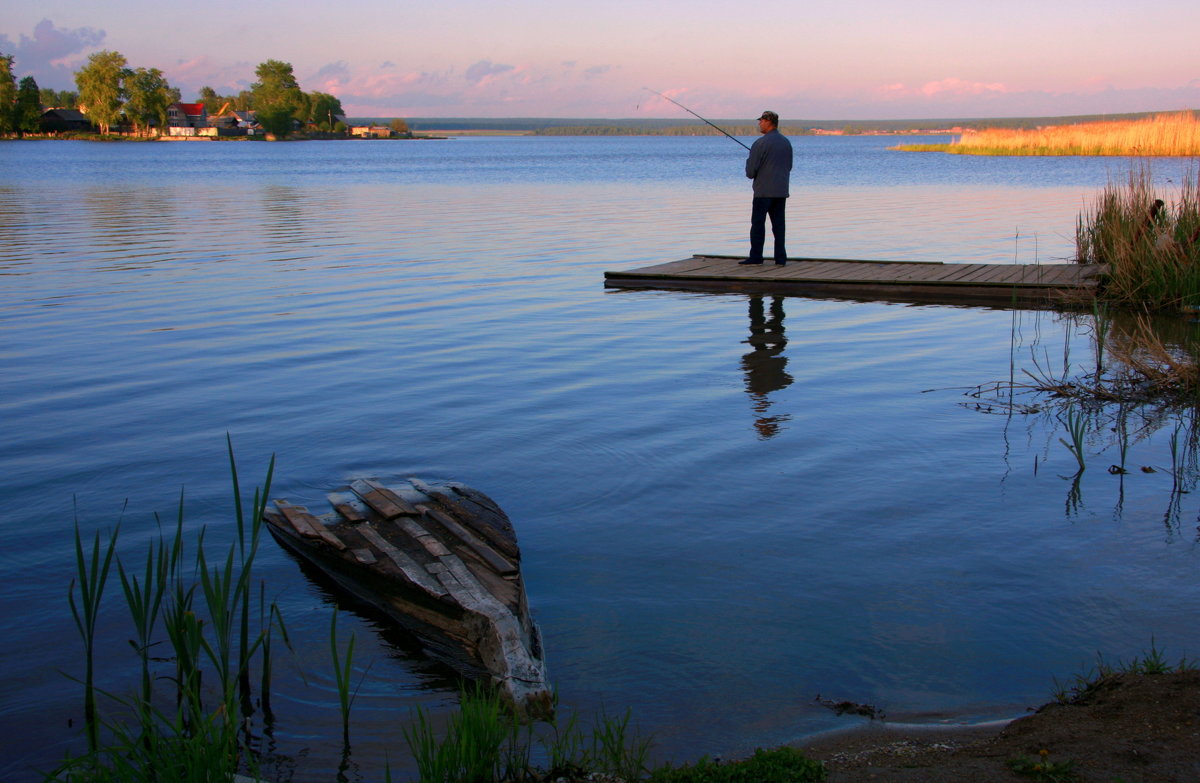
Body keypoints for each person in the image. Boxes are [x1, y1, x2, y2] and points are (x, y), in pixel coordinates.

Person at [740, 110, 793, 266]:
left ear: (768, 122)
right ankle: (780, 258)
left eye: (761, 121)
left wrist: (749, 161)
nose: (759, 124)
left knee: (758, 224)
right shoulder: (786, 142)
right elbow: (789, 166)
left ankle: (756, 257)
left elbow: (750, 172)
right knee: (779, 226)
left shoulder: (760, 143)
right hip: (781, 190)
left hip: (763, 192)